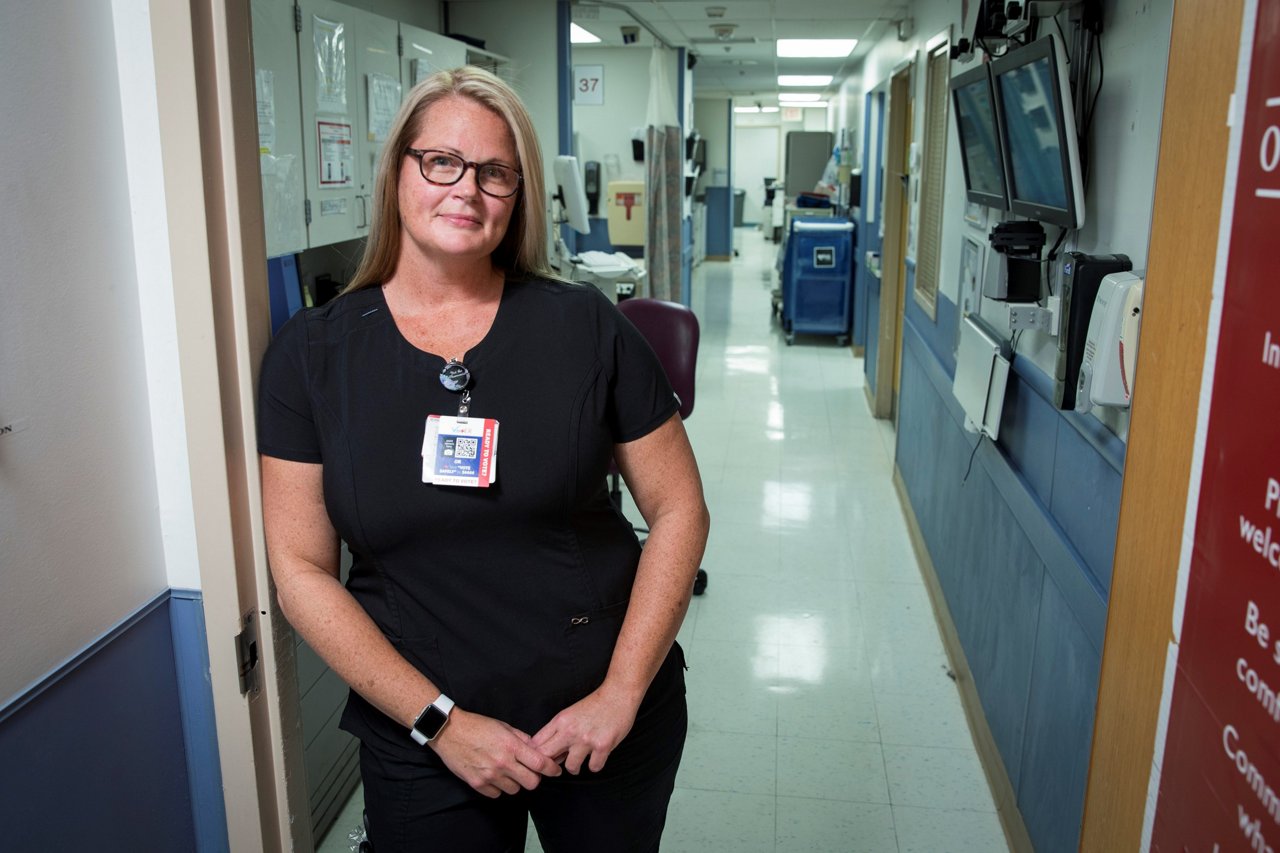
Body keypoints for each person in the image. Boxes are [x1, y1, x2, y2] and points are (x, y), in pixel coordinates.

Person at [257, 66, 709, 853]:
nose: (466, 188)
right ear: (398, 169)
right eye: (441, 161)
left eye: (495, 171)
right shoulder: (313, 354)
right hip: (423, 730)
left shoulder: (584, 327)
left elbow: (679, 509)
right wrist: (439, 722)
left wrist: (621, 691)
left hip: (598, 718)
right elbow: (300, 568)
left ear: (519, 191)